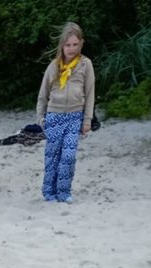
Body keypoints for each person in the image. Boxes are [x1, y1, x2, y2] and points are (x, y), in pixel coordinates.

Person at [36, 21, 95, 203]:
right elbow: (43, 95)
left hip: (74, 117)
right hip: (54, 116)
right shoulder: (54, 66)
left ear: (81, 44)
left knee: (68, 157)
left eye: (75, 44)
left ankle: (64, 192)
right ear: (62, 45)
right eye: (68, 45)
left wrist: (87, 120)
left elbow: (90, 94)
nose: (71, 49)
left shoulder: (85, 65)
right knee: (52, 157)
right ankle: (49, 192)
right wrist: (41, 119)